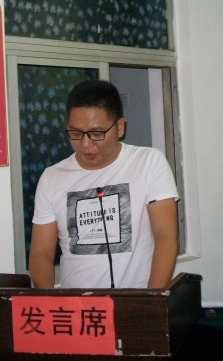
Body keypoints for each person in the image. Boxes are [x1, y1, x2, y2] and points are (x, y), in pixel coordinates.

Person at [28, 79, 179, 290]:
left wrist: (150, 301)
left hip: (136, 299)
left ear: (119, 127)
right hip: (75, 304)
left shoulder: (148, 163)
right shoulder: (52, 177)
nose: (85, 143)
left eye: (97, 133)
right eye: (75, 133)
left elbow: (166, 239)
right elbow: (41, 253)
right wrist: (48, 301)